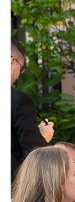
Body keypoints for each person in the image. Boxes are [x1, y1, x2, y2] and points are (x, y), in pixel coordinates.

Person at [11, 37, 53, 180]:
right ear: (11, 61)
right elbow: (32, 152)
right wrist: (43, 137)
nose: (18, 75)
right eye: (20, 68)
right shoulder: (18, 100)